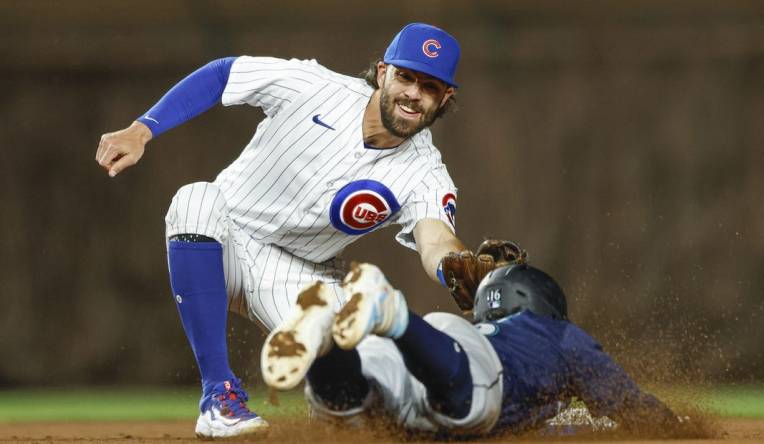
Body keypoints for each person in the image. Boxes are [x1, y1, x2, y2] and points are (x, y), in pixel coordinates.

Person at [95, 23, 474, 438]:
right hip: (226, 241)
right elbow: (225, 73)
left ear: (445, 99)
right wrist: (142, 129)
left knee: (365, 382)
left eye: (430, 87)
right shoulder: (313, 85)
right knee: (195, 200)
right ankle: (219, 396)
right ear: (383, 73)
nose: (414, 94)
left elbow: (436, 239)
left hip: (301, 276)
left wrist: (458, 267)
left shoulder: (426, 171)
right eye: (406, 77)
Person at [262, 262, 684, 437]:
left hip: (423, 348)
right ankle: (393, 312)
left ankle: (325, 343)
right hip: (458, 363)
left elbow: (559, 428)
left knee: (351, 408)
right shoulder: (557, 337)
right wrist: (679, 426)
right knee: (467, 406)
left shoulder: (484, 334)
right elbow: (629, 407)